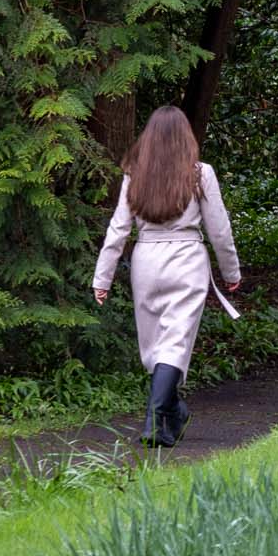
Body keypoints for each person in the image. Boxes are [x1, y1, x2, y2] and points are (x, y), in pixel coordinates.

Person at [91, 105, 241, 447]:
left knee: (157, 346)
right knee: (172, 345)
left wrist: (103, 278)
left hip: (146, 262)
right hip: (187, 262)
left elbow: (118, 229)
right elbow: (219, 229)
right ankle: (159, 418)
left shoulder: (134, 174)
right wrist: (231, 270)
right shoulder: (201, 174)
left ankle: (166, 417)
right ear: (186, 137)